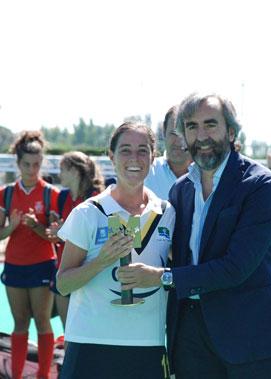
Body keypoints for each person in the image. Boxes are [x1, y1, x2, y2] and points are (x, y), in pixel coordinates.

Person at [119, 93, 271, 378]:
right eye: (191, 126)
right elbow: (174, 252)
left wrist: (163, 277)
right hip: (191, 338)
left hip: (251, 338)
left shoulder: (260, 184)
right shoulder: (181, 189)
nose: (201, 135)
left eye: (210, 125)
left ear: (231, 131)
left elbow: (236, 268)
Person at [56, 122, 175, 379]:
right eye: (125, 150)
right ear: (111, 156)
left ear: (153, 157)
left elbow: (180, 271)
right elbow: (63, 284)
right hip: (90, 343)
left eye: (143, 150)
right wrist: (100, 262)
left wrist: (157, 275)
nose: (135, 158)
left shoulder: (167, 213)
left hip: (147, 345)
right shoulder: (87, 213)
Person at [0, 131, 59, 379]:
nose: (32, 170)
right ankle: (16, 375)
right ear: (18, 163)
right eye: (27, 164)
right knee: (20, 323)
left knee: (43, 322)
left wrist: (37, 227)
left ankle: (44, 376)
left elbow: (56, 238)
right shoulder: (6, 193)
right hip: (14, 265)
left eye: (36, 165)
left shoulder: (51, 194)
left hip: (43, 265)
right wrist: (12, 227)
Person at [46, 151, 104, 329]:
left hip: (90, 274)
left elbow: (97, 236)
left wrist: (64, 231)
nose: (59, 174)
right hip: (65, 271)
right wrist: (57, 232)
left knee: (91, 333)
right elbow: (59, 232)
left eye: (62, 169)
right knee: (68, 334)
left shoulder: (96, 198)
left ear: (75, 171)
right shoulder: (62, 197)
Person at [144, 105, 192, 199]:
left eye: (185, 134)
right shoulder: (146, 173)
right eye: (174, 133)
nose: (178, 141)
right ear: (164, 133)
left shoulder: (208, 175)